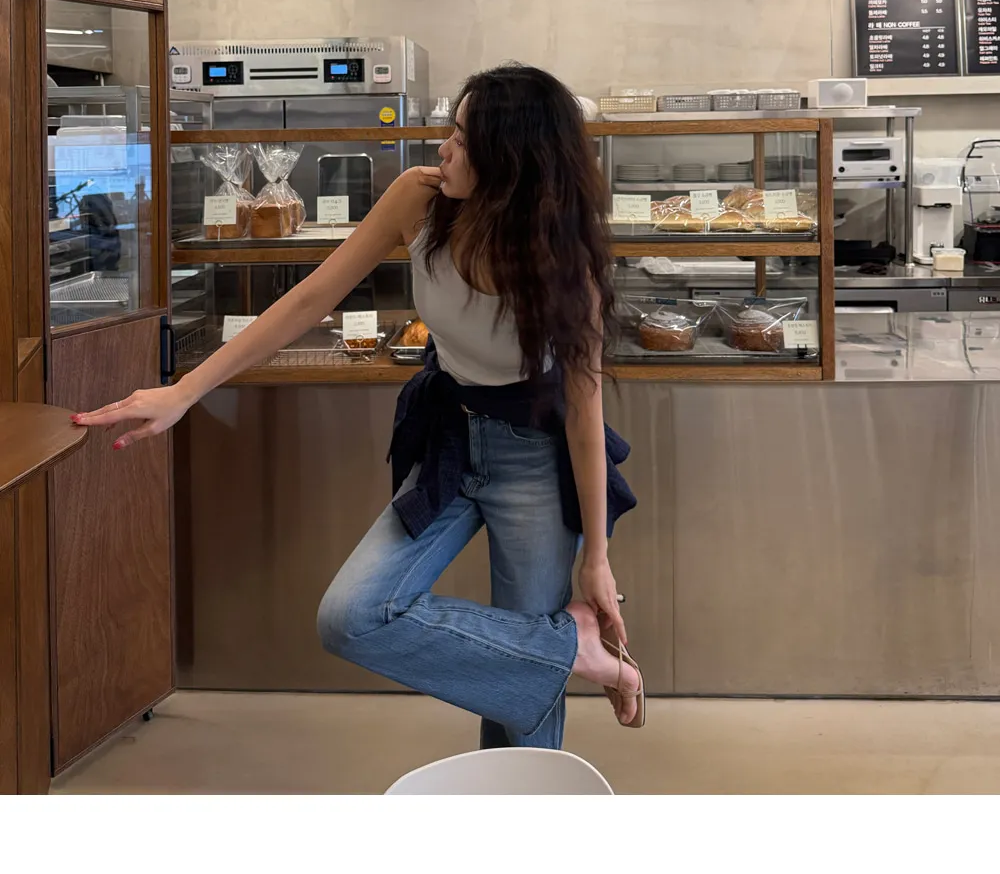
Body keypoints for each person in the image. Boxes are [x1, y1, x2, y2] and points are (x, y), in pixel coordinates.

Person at [72, 64, 644, 754]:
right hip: (450, 440)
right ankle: (568, 645)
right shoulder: (418, 200)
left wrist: (596, 558)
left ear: (510, 162)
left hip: (534, 459)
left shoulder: (562, 263)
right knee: (352, 614)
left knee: (516, 693)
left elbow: (583, 416)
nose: (443, 150)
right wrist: (184, 392)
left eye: (463, 140)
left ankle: (518, 794)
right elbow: (311, 298)